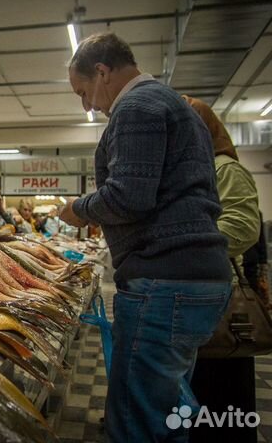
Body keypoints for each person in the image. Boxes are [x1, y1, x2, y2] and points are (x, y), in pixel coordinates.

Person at [59, 32, 231, 442]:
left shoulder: (136, 106)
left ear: (102, 72)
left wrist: (77, 210)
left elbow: (129, 196)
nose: (88, 105)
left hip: (164, 281)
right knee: (168, 411)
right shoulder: (176, 106)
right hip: (197, 279)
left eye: (84, 92)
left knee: (139, 421)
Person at [182, 96, 260, 443]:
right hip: (191, 293)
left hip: (218, 297)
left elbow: (244, 226)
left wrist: (183, 243)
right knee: (198, 386)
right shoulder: (191, 171)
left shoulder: (225, 168)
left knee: (222, 382)